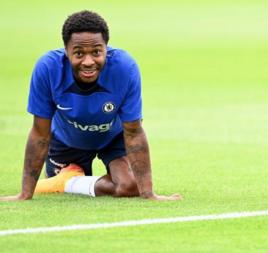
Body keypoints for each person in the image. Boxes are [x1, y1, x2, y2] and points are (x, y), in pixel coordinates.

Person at [0, 10, 182, 201]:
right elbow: (40, 133)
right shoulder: (47, 68)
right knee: (61, 190)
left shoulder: (125, 68)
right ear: (66, 50)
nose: (88, 62)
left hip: (112, 139)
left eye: (96, 52)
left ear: (106, 48)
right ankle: (65, 180)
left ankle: (69, 182)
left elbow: (134, 132)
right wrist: (24, 195)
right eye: (78, 53)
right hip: (66, 142)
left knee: (129, 186)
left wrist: (149, 194)